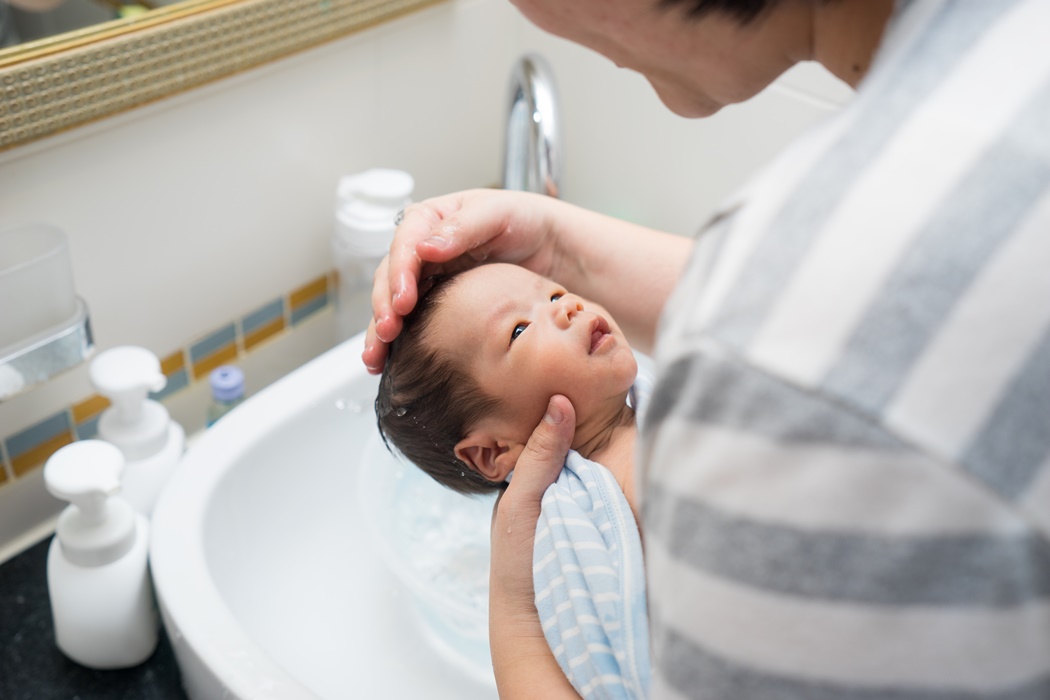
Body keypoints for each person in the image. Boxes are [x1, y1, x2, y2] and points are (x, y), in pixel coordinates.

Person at [365, 0, 1050, 698]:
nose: (564, 300)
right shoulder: (1014, 54)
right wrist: (560, 244)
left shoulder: (760, 392)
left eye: (547, 293)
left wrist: (510, 612)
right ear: (490, 452)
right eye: (519, 328)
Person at [375, 262, 651, 698]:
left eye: (556, 294)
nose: (569, 308)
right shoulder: (571, 529)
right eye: (519, 330)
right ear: (493, 452)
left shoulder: (661, 398)